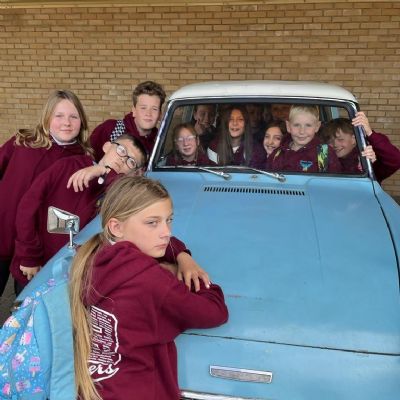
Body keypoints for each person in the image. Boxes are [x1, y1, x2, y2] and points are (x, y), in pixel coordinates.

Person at [69, 176, 228, 400]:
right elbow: (214, 313)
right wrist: (201, 282)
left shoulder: (91, 255)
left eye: (169, 220)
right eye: (152, 223)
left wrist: (182, 256)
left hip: (95, 387)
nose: (167, 232)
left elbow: (164, 242)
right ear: (116, 227)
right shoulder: (150, 281)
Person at [10, 135, 146, 291]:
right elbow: (27, 207)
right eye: (121, 150)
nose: (122, 159)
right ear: (107, 146)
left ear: (134, 172)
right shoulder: (68, 165)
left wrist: (105, 172)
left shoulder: (118, 193)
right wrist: (29, 255)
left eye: (131, 161)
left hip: (74, 278)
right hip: (36, 266)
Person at [0, 89, 91, 296]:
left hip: (33, 247)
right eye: (59, 115)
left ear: (82, 121)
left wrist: (30, 253)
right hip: (2, 232)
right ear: (47, 117)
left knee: (23, 302)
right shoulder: (23, 142)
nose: (66, 122)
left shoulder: (81, 161)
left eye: (73, 116)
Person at [90, 81, 166, 161]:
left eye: (154, 109)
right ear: (134, 110)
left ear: (160, 114)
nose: (148, 113)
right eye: (143, 108)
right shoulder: (110, 129)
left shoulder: (159, 143)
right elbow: (86, 158)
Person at [322, 112, 400, 183]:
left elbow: (396, 159)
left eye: (340, 139)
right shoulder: (323, 157)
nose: (335, 144)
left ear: (353, 139)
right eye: (330, 141)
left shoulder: (367, 158)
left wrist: (369, 133)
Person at [266, 105, 341, 173]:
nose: (302, 131)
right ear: (288, 126)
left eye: (308, 125)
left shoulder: (324, 153)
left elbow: (335, 182)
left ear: (317, 126)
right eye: (296, 125)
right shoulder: (278, 153)